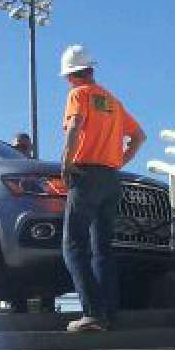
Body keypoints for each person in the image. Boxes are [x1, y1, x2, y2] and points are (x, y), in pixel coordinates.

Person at [59, 45, 146, 333]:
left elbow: (74, 127)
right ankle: (109, 313)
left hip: (86, 175)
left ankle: (92, 313)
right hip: (111, 178)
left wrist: (66, 162)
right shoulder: (112, 101)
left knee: (73, 246)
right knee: (103, 249)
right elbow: (139, 136)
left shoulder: (78, 95)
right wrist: (118, 161)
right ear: (91, 69)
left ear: (71, 75)